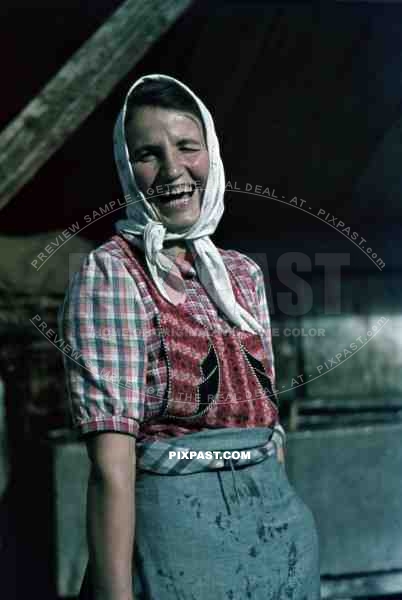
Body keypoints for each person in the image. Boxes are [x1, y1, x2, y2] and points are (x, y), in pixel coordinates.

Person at [60, 73, 320, 600]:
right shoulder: (112, 274)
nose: (173, 170)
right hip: (177, 545)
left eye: (187, 147)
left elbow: (271, 437)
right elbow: (112, 468)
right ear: (125, 168)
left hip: (278, 542)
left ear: (212, 154)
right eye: (148, 154)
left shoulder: (241, 275)